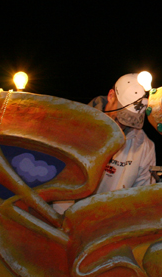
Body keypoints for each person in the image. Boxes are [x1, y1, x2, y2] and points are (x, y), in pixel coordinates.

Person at [52, 74, 156, 213]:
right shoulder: (76, 127)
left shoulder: (144, 146)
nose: (121, 127)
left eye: (129, 121)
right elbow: (60, 183)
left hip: (111, 223)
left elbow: (141, 198)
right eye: (119, 118)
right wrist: (65, 220)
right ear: (111, 96)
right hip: (67, 219)